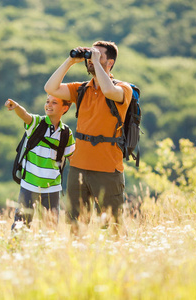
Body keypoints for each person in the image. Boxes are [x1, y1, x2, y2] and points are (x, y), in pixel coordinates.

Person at [44, 41, 133, 234]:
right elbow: (50, 88)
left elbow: (109, 91)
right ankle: (79, 260)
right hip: (79, 168)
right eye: (91, 55)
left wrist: (96, 63)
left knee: (112, 227)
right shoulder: (82, 89)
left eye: (98, 56)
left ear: (110, 63)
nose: (92, 59)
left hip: (108, 169)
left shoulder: (123, 89)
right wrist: (70, 61)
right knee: (76, 225)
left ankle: (117, 260)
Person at [5, 95, 75, 230]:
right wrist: (17, 107)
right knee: (21, 224)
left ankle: (46, 250)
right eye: (47, 101)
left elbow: (73, 158)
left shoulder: (66, 133)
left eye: (54, 102)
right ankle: (14, 250)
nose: (49, 105)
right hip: (29, 184)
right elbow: (25, 115)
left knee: (50, 227)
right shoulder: (37, 123)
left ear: (65, 108)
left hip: (52, 187)